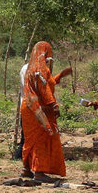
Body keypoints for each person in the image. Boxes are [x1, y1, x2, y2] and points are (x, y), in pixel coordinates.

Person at [20, 41, 74, 181]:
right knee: (41, 139)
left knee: (30, 139)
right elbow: (44, 90)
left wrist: (61, 75)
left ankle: (26, 169)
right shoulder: (40, 69)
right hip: (39, 109)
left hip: (28, 107)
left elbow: (47, 83)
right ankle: (39, 172)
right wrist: (53, 105)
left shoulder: (31, 69)